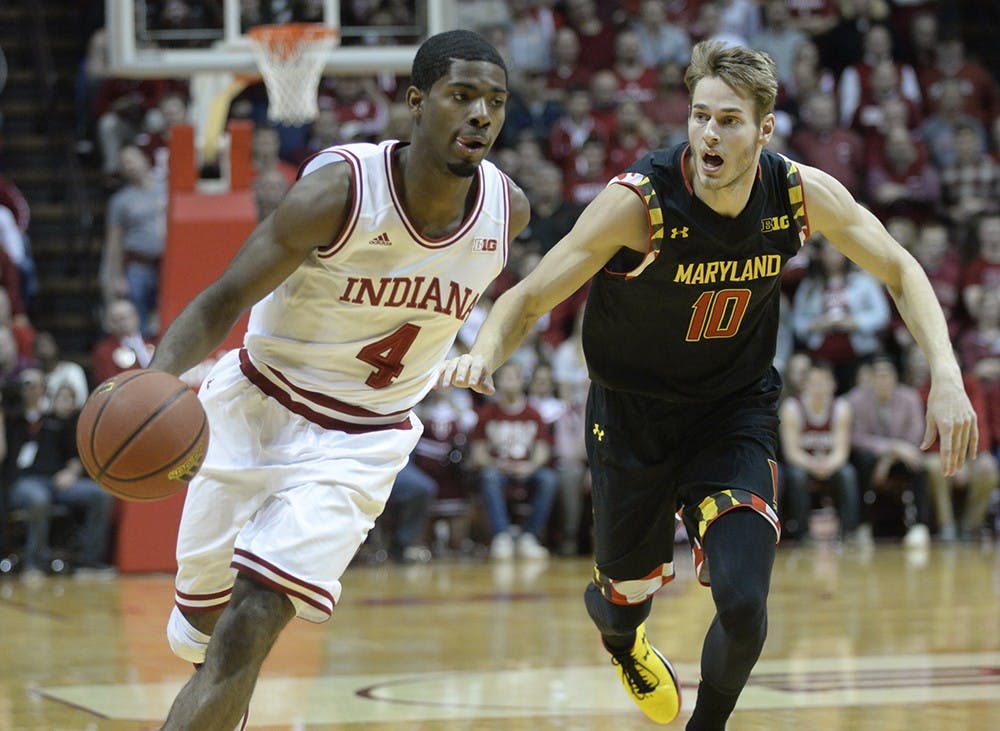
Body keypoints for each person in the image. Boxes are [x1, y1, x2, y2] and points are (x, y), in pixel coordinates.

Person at [437, 41, 977, 729]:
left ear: (765, 130)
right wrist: (484, 351)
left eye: (728, 120)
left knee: (746, 602)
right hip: (633, 413)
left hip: (732, 408)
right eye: (699, 117)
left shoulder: (796, 193)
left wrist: (947, 374)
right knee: (623, 599)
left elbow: (900, 267)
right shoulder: (639, 202)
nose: (709, 134)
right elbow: (532, 295)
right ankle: (623, 638)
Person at [139, 31, 525, 731]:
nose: (481, 115)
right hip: (259, 405)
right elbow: (223, 297)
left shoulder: (508, 212)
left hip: (361, 440)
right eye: (461, 96)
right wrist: (151, 383)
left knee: (251, 623)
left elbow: (530, 302)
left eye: (494, 102)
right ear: (416, 103)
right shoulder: (338, 192)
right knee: (205, 627)